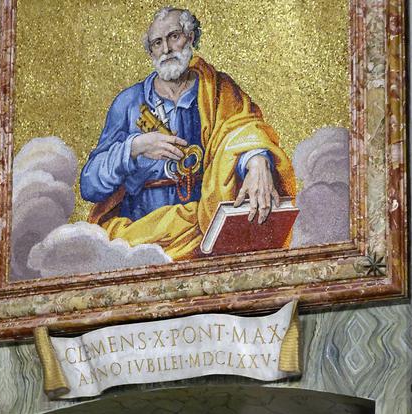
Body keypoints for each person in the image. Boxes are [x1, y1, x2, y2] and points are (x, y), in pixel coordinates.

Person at [80, 6, 295, 260]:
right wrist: (134, 148)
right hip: (142, 237)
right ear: (151, 52)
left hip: (207, 228)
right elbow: (89, 185)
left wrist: (257, 159)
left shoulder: (218, 89)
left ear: (190, 37)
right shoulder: (128, 103)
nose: (166, 49)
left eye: (174, 36)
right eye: (157, 43)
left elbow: (243, 128)